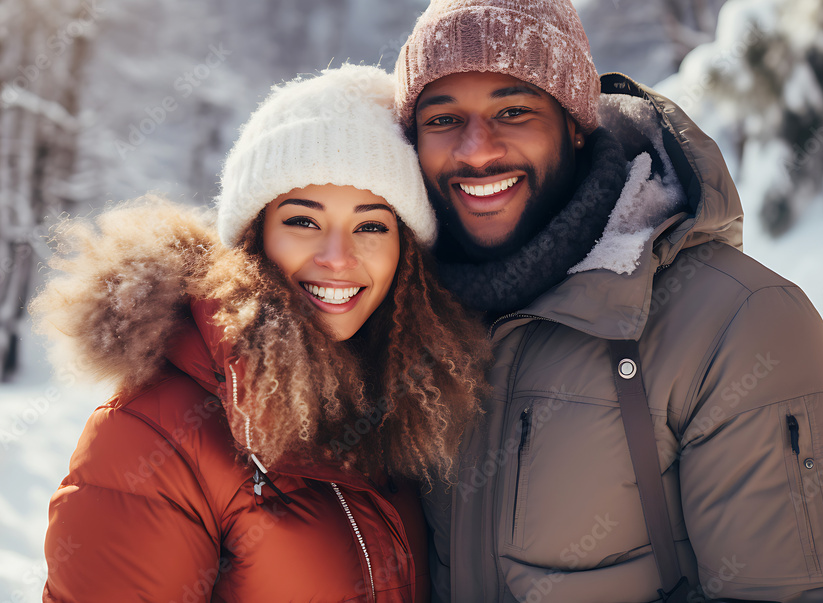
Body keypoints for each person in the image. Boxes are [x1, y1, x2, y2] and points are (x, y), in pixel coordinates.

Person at [394, 0, 823, 602]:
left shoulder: (739, 323)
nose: (477, 149)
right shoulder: (413, 327)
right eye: (442, 119)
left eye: (513, 110)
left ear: (575, 123)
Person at [31, 64, 490, 602]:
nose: (338, 258)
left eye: (371, 225)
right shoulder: (153, 436)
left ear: (406, 256)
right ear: (255, 239)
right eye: (303, 221)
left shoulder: (405, 416)